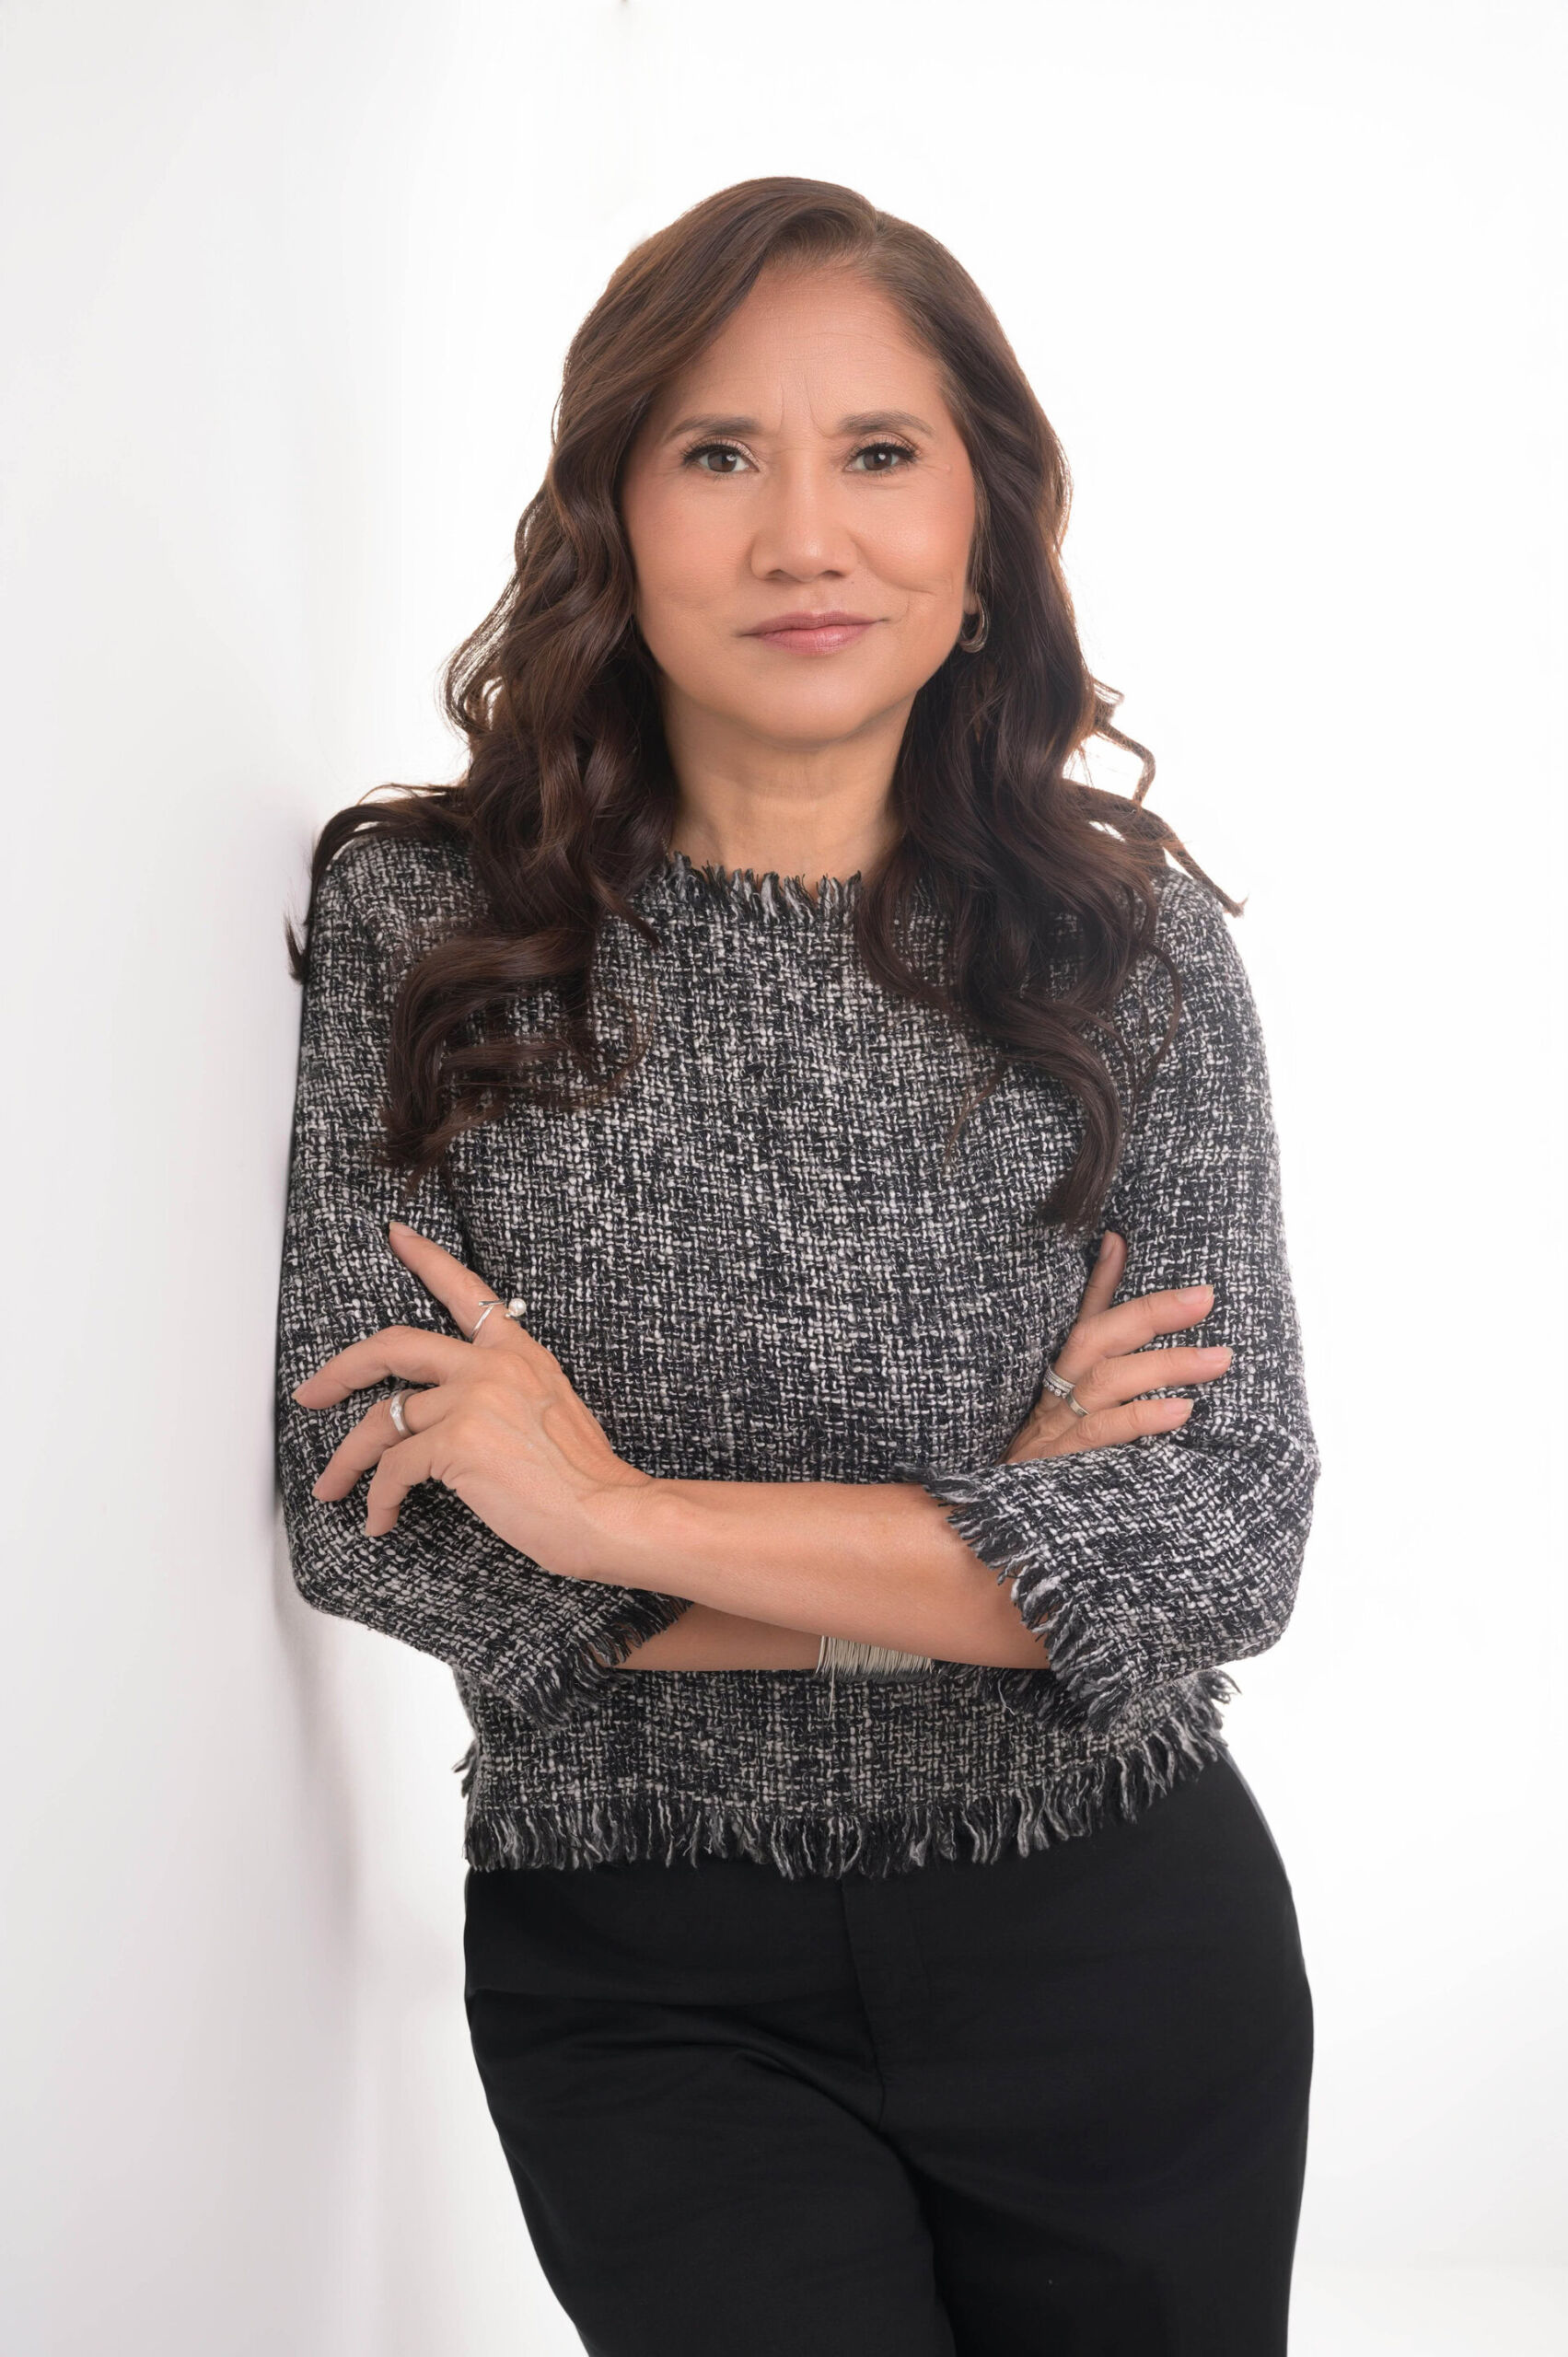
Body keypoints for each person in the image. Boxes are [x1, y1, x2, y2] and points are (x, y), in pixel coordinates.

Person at [275, 176, 1320, 2357]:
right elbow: (384, 1526)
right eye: (719, 454)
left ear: (979, 530)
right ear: (614, 513)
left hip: (1118, 1936)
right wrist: (1000, 1534)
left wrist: (610, 1510)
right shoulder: (424, 926)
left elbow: (1219, 1533)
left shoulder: (1123, 945)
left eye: (878, 453)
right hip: (637, 1958)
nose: (802, 539)